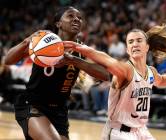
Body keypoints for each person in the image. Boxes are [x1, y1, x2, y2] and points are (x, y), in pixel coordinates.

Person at [63, 18, 166, 140]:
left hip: (141, 131)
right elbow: (107, 60)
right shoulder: (126, 70)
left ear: (147, 47)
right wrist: (80, 48)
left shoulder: (151, 72)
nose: (135, 44)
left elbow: (161, 80)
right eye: (130, 42)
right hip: (119, 133)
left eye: (139, 40)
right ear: (127, 49)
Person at [4, 6, 109, 140]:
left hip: (59, 111)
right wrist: (26, 41)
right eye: (70, 16)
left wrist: (74, 61)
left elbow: (106, 74)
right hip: (33, 105)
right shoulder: (44, 42)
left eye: (79, 18)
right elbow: (8, 60)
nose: (76, 19)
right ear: (58, 23)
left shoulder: (82, 49)